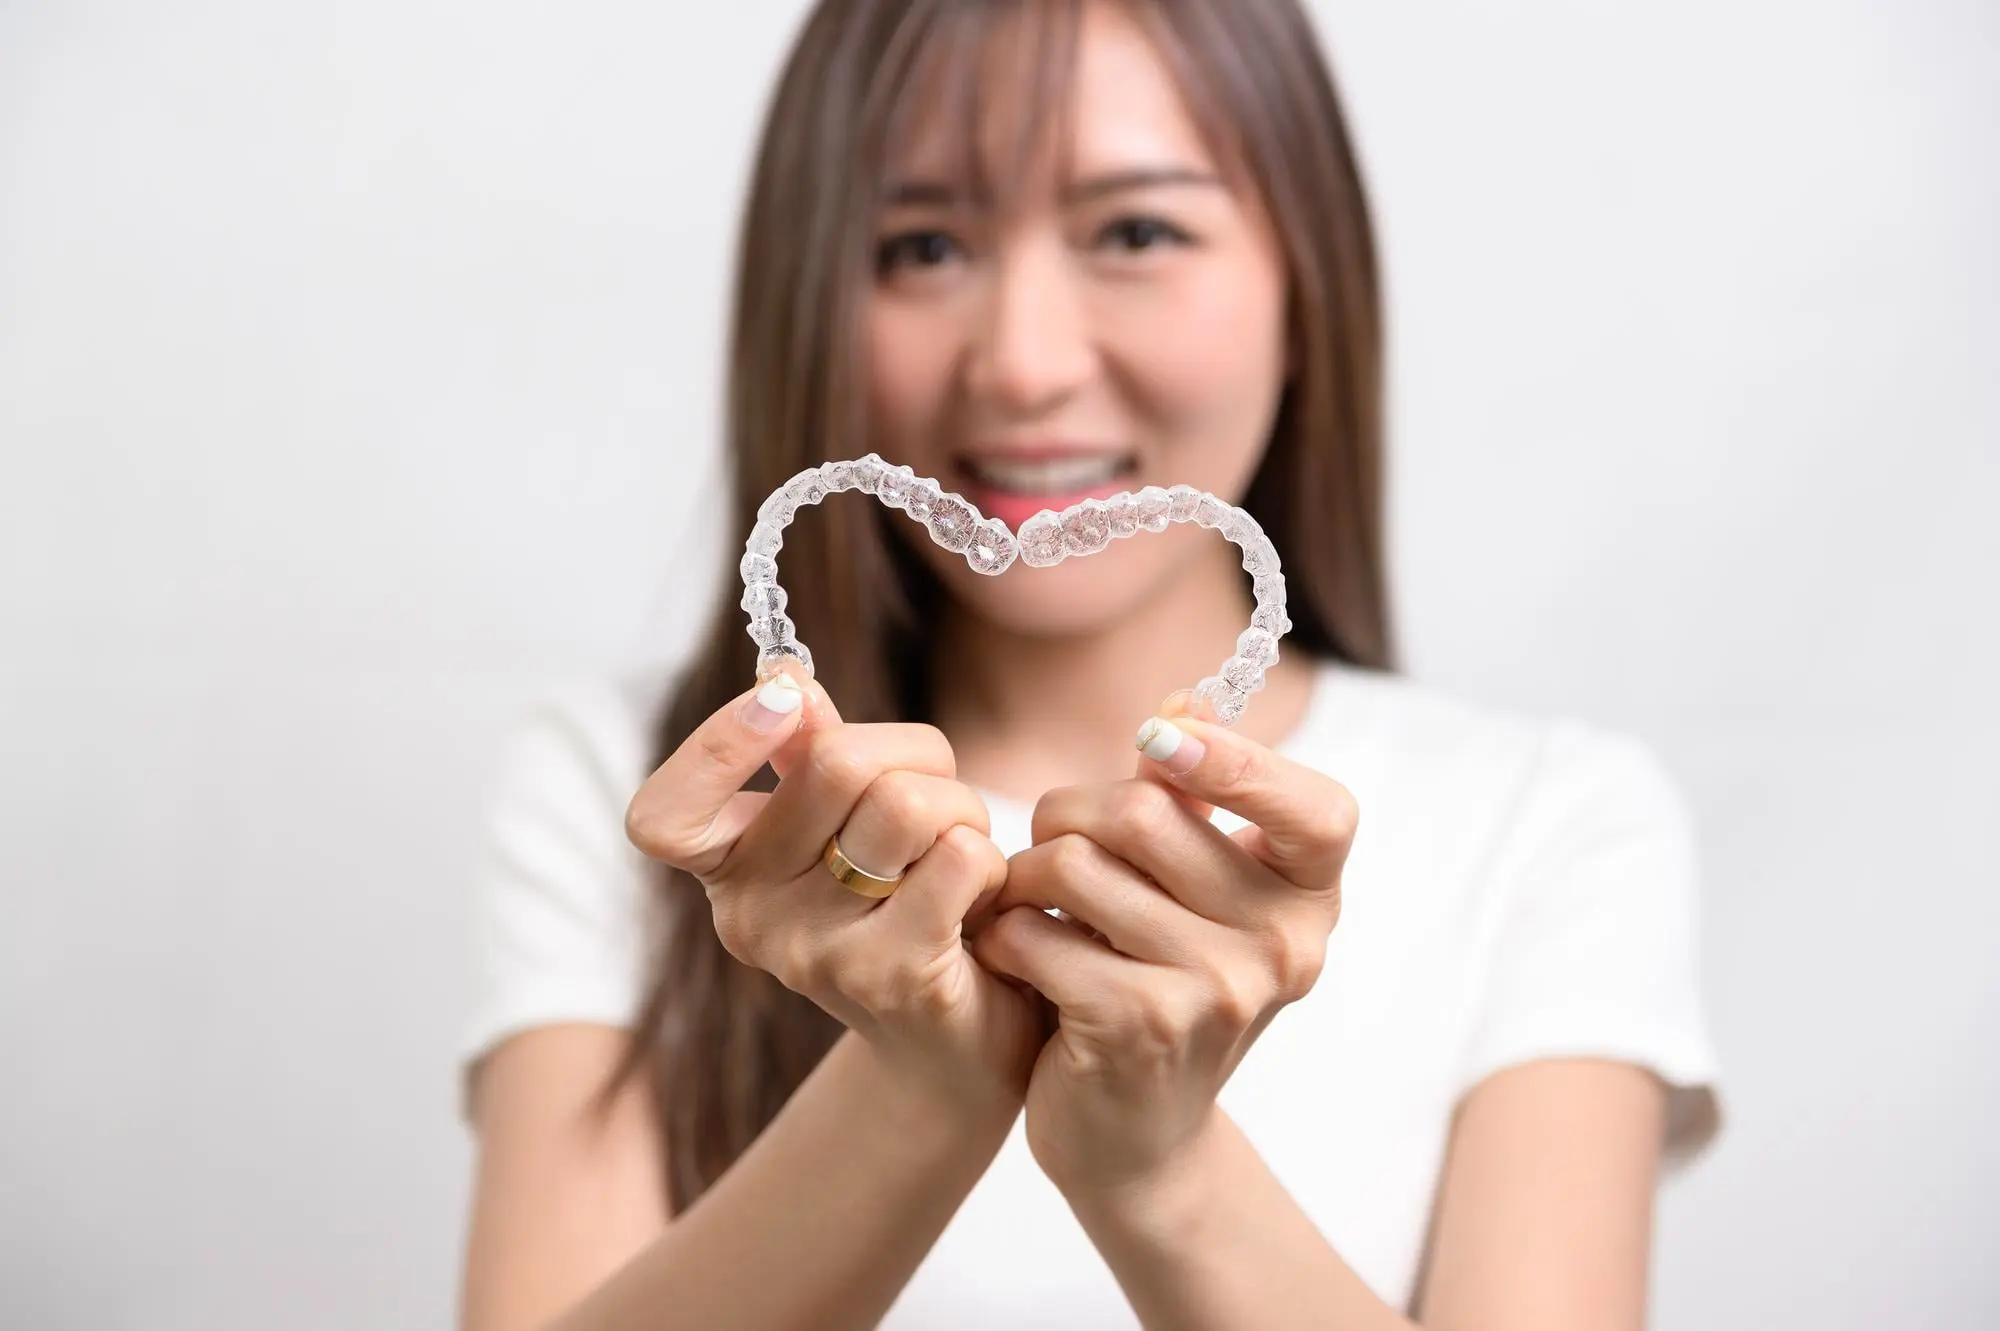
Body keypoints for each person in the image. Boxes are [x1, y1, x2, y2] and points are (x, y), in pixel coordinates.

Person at [456, 1, 1725, 1328]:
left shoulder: (1549, 828)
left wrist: (1156, 1160)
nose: (1023, 365)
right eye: (924, 245)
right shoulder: (643, 792)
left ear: (1310, 282)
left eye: (1135, 231)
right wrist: (915, 1091)